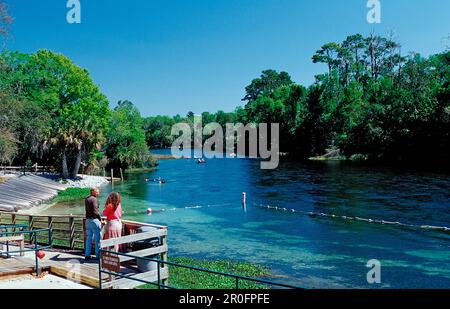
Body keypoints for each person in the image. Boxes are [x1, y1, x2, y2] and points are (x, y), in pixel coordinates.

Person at [85, 187, 102, 260]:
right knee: (97, 239)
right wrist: (100, 219)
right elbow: (95, 211)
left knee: (88, 239)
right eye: (97, 192)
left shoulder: (87, 199)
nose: (98, 193)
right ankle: (98, 255)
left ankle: (87, 255)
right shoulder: (94, 199)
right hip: (94, 221)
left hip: (88, 221)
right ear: (93, 192)